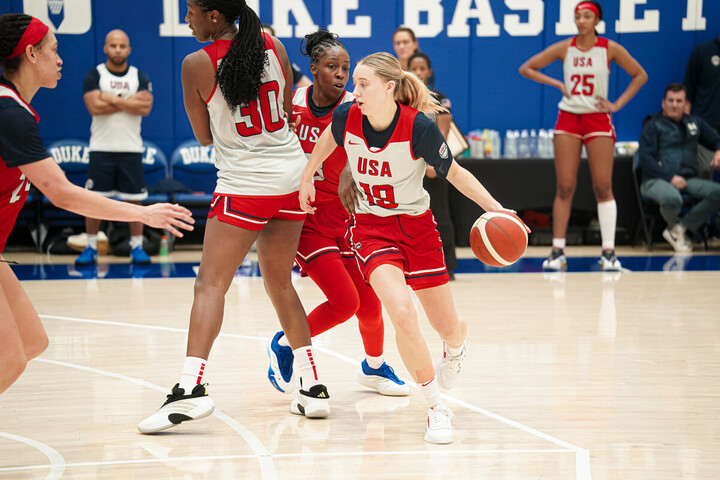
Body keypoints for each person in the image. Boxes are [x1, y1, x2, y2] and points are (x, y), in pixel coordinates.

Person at [299, 52, 528, 444]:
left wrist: (496, 208)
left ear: (389, 88)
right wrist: (307, 175)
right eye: (354, 83)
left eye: (363, 84)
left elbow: (454, 172)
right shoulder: (347, 116)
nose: (354, 90)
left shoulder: (418, 127)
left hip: (418, 229)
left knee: (447, 327)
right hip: (371, 229)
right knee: (402, 313)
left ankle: (456, 347)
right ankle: (436, 407)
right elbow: (328, 140)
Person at [138, 0, 330, 433]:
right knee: (281, 284)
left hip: (245, 184)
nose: (186, 18)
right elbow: (280, 110)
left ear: (214, 16)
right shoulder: (273, 45)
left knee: (210, 284)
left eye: (191, 10)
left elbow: (205, 135)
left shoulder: (196, 63)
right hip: (290, 176)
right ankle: (313, 384)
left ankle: (190, 389)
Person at [0, 13, 194, 394]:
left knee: (33, 341)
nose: (60, 59)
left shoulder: (14, 109)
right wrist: (143, 212)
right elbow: (61, 193)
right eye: (53, 50)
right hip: (106, 155)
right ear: (31, 54)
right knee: (9, 358)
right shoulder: (10, 114)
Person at [267, 29, 409, 397]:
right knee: (346, 303)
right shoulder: (291, 103)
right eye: (332, 66)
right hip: (306, 219)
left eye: (346, 67)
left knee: (370, 305)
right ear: (314, 68)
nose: (342, 74)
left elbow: (374, 143)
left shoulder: (355, 105)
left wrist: (350, 169)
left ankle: (374, 368)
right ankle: (285, 344)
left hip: (348, 217)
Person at [519, 0, 647, 271]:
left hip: (598, 118)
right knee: (565, 187)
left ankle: (609, 253)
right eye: (578, 16)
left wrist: (617, 104)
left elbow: (640, 75)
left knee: (603, 186)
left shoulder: (609, 48)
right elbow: (526, 67)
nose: (581, 20)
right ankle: (557, 251)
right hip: (568, 118)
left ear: (596, 20)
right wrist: (556, 83)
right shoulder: (565, 47)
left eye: (587, 16)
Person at [75, 29, 155, 266]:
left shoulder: (138, 75)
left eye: (122, 46)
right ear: (105, 48)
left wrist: (110, 98)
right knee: (94, 200)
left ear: (128, 49)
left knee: (135, 200)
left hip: (131, 148)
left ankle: (137, 247)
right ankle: (90, 247)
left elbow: (145, 108)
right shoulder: (94, 75)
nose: (118, 50)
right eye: (113, 45)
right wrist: (128, 102)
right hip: (101, 147)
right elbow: (94, 107)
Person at [637, 83, 720, 252]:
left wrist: (718, 150)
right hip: (656, 179)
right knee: (673, 198)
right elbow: (645, 159)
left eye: (679, 101)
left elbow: (715, 139)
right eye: (671, 100)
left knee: (717, 192)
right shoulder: (652, 125)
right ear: (663, 103)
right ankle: (675, 227)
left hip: (688, 179)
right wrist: (670, 178)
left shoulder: (695, 123)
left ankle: (679, 229)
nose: (674, 104)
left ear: (686, 104)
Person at [408, 51, 457, 278]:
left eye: (422, 68)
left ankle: (448, 265)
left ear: (429, 72)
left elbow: (443, 136)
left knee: (440, 214)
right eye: (414, 68)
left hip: (433, 166)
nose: (418, 72)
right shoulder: (403, 98)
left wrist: (434, 164)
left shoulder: (439, 98)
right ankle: (412, 263)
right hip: (409, 168)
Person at [684, 35, 720, 179]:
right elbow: (688, 91)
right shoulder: (702, 51)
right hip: (705, 126)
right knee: (704, 170)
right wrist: (685, 126)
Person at [261, 23, 311, 88]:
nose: (263, 42)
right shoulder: (247, 63)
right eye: (261, 38)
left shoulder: (282, 64)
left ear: (273, 42)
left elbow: (307, 85)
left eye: (267, 39)